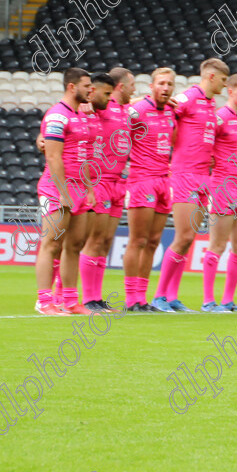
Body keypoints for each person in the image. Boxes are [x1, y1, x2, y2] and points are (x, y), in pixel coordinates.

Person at [153, 58, 229, 312]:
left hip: (203, 178)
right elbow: (162, 112)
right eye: (223, 79)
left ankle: (172, 296)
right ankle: (159, 296)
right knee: (183, 236)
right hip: (184, 175)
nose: (225, 84)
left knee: (189, 238)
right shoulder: (188, 98)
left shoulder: (210, 104)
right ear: (210, 77)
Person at [34, 68, 95, 315]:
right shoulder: (57, 116)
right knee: (52, 243)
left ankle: (70, 300)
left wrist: (89, 189)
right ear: (72, 87)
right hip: (55, 188)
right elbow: (53, 155)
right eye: (86, 85)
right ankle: (44, 301)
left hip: (80, 188)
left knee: (75, 245)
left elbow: (84, 158)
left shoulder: (80, 115)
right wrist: (62, 191)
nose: (90, 89)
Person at [78, 67, 135, 312]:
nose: (135, 89)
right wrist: (84, 105)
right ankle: (88, 298)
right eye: (132, 83)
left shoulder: (126, 111)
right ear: (120, 86)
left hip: (118, 184)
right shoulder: (99, 106)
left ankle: (97, 298)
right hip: (99, 180)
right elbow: (76, 110)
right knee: (95, 240)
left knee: (107, 241)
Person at [123, 68, 176, 312]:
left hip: (164, 181)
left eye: (170, 84)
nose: (166, 88)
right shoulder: (138, 110)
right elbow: (114, 121)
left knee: (154, 241)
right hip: (142, 180)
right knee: (138, 240)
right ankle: (131, 298)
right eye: (162, 83)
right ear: (152, 86)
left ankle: (142, 299)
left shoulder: (171, 111)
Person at [200, 74, 237, 313]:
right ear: (231, 91)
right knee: (218, 244)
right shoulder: (219, 117)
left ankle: (228, 300)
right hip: (224, 186)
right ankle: (208, 301)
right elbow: (205, 148)